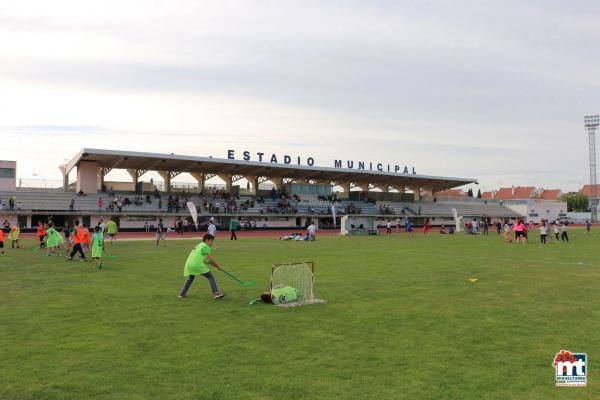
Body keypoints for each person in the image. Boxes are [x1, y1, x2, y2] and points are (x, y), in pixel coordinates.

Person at [178, 234, 226, 299]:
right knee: (211, 277)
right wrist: (217, 266)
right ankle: (216, 293)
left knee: (191, 278)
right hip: (197, 265)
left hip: (189, 264)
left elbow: (198, 257)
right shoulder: (206, 246)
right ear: (206, 240)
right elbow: (211, 259)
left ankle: (182, 293)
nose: (212, 243)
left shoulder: (199, 245)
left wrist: (208, 263)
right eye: (211, 241)